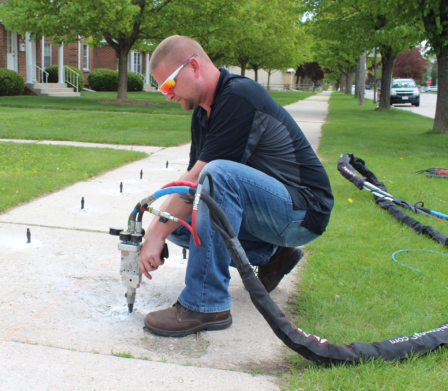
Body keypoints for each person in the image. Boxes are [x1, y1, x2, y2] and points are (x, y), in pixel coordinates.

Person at [139, 35, 334, 337]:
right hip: (270, 213)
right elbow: (190, 189)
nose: (167, 95)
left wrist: (154, 233)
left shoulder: (238, 98)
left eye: (168, 85)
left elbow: (197, 182)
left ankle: (206, 303)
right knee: (179, 225)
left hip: (304, 209)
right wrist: (157, 230)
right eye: (161, 88)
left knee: (217, 175)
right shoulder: (203, 114)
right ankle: (272, 256)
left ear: (193, 66)